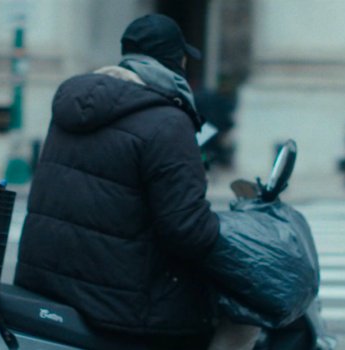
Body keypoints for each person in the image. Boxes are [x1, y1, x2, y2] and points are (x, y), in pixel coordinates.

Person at [14, 14, 242, 349]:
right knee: (211, 322)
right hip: (118, 305)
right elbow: (186, 228)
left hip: (51, 285)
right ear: (175, 61)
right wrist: (231, 244)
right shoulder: (168, 121)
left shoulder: (73, 105)